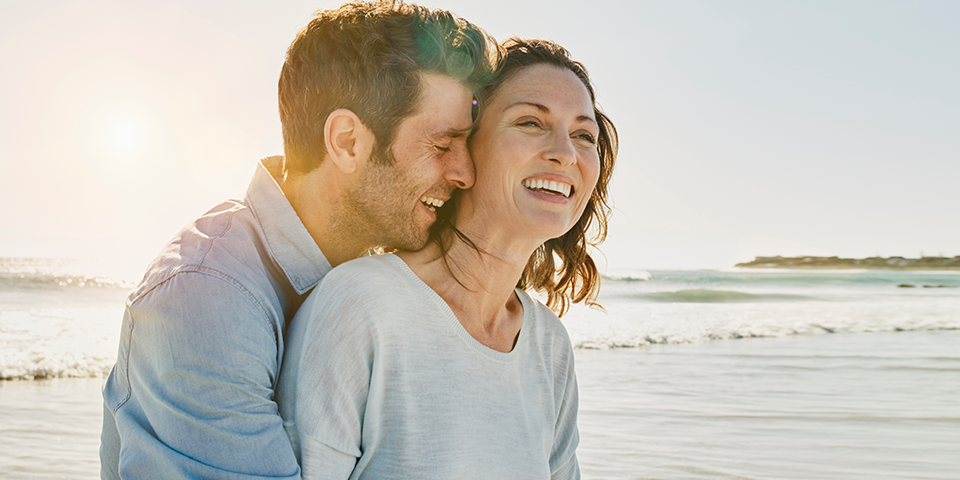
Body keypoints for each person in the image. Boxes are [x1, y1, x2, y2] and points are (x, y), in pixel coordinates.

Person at [99, 2, 493, 478]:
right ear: (347, 141)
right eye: (442, 145)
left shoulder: (374, 280)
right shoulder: (207, 297)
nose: (465, 173)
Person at [277, 38, 618, 479]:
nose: (565, 153)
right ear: (465, 146)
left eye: (584, 135)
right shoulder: (360, 304)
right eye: (531, 122)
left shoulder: (549, 346)